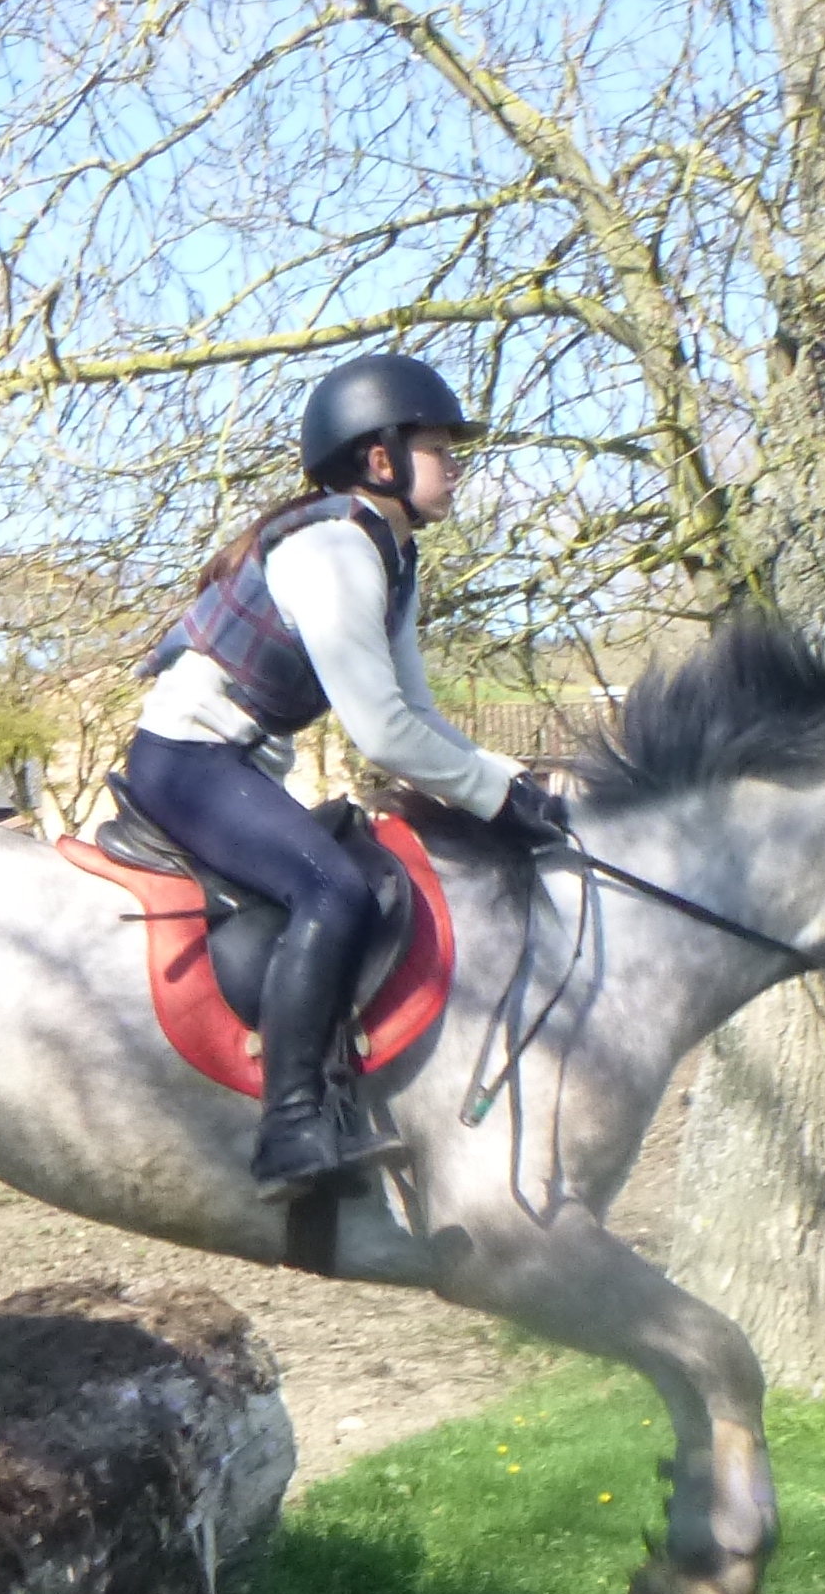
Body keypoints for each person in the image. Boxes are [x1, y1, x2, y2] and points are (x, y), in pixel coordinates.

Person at [125, 350, 570, 1197]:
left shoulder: (388, 554)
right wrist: (494, 798)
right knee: (335, 891)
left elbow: (420, 714)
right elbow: (384, 735)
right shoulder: (331, 550)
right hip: (187, 763)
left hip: (235, 767)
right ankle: (291, 1130)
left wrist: (519, 785)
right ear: (381, 459)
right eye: (441, 449)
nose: (457, 468)